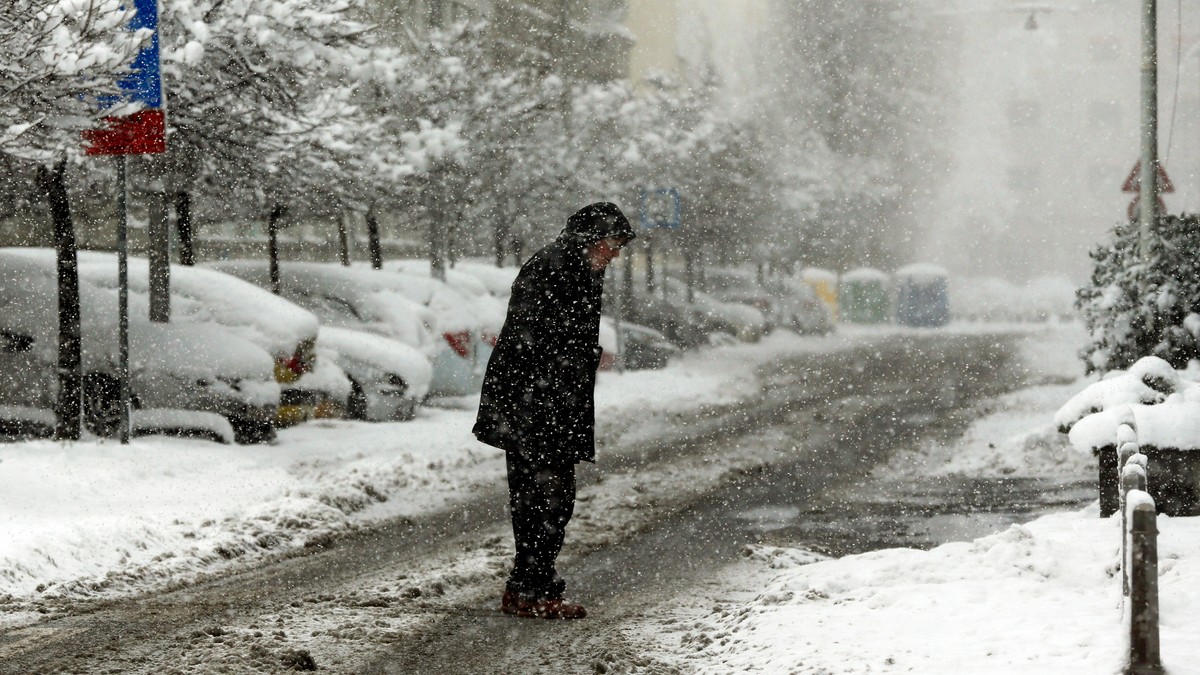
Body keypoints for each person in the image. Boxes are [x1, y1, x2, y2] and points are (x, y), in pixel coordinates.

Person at [473, 202, 636, 620]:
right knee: (543, 497)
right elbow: (527, 338)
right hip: (534, 403)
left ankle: (530, 586)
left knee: (546, 497)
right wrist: (565, 367)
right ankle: (531, 589)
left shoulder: (579, 268)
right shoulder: (552, 267)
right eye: (612, 244)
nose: (615, 254)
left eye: (618, 246)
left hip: (550, 400)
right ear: (590, 239)